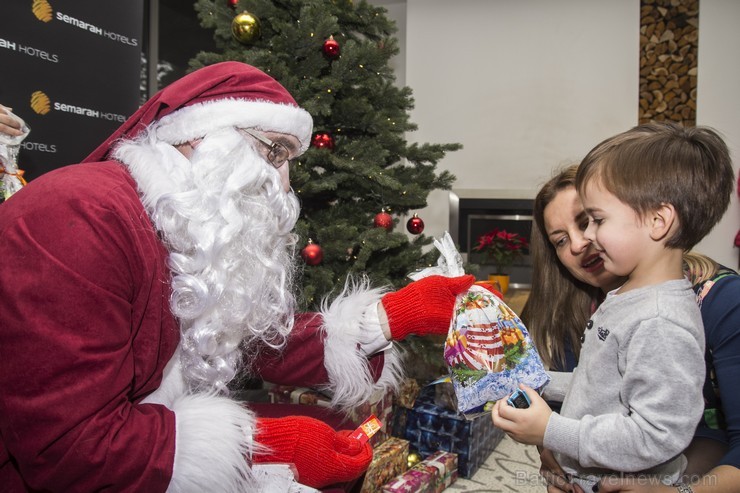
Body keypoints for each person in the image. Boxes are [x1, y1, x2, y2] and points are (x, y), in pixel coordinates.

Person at [0, 62, 476, 492]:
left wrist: (392, 316)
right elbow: (68, 449)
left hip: (146, 429)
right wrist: (260, 445)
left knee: (330, 428)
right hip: (71, 467)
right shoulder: (83, 216)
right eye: (275, 152)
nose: (285, 184)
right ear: (199, 135)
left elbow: (251, 340)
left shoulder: (181, 217)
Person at [491, 122, 736, 491]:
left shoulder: (660, 318)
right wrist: (539, 387)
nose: (582, 241)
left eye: (593, 220)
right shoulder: (622, 301)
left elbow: (656, 432)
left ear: (658, 221)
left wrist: (553, 430)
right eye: (561, 239)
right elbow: (601, 386)